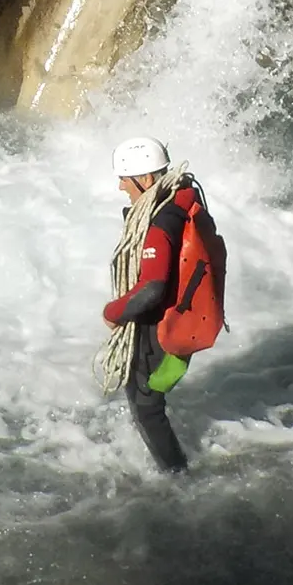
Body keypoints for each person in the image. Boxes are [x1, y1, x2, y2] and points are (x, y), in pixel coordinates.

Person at [97, 135, 212, 473]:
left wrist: (113, 312)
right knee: (152, 393)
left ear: (146, 180)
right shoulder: (181, 201)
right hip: (188, 319)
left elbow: (151, 289)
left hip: (164, 331)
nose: (120, 186)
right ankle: (175, 466)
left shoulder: (159, 223)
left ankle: (178, 477)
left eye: (124, 178)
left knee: (146, 404)